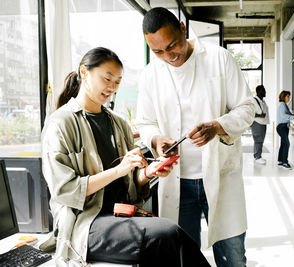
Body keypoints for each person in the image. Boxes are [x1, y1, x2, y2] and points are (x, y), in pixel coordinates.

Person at [41, 47, 210, 267]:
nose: (112, 87)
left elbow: (130, 180)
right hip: (86, 224)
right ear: (84, 72)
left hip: (122, 213)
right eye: (107, 78)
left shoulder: (118, 123)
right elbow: (64, 190)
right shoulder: (60, 123)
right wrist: (119, 169)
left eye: (118, 81)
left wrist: (148, 172)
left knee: (171, 237)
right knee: (166, 234)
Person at [136, 7, 255, 267]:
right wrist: (156, 140)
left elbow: (248, 108)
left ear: (182, 27)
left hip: (221, 177)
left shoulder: (219, 59)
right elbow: (144, 122)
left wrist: (218, 126)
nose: (169, 56)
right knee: (183, 259)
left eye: (172, 46)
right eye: (158, 51)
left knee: (233, 258)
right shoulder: (150, 75)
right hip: (177, 185)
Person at [276, 90, 294, 170]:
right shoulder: (282, 105)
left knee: (283, 143)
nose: (289, 98)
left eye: (289, 96)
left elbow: (288, 116)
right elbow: (284, 116)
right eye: (288, 96)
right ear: (283, 97)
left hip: (284, 126)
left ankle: (281, 160)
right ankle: (285, 162)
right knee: (287, 143)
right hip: (281, 127)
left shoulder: (284, 105)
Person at [251, 85, 270, 165]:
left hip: (263, 123)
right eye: (263, 90)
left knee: (261, 140)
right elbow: (250, 113)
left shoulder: (262, 101)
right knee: (258, 140)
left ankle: (259, 156)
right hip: (257, 123)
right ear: (258, 92)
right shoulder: (254, 101)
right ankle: (257, 157)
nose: (265, 92)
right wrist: (259, 116)